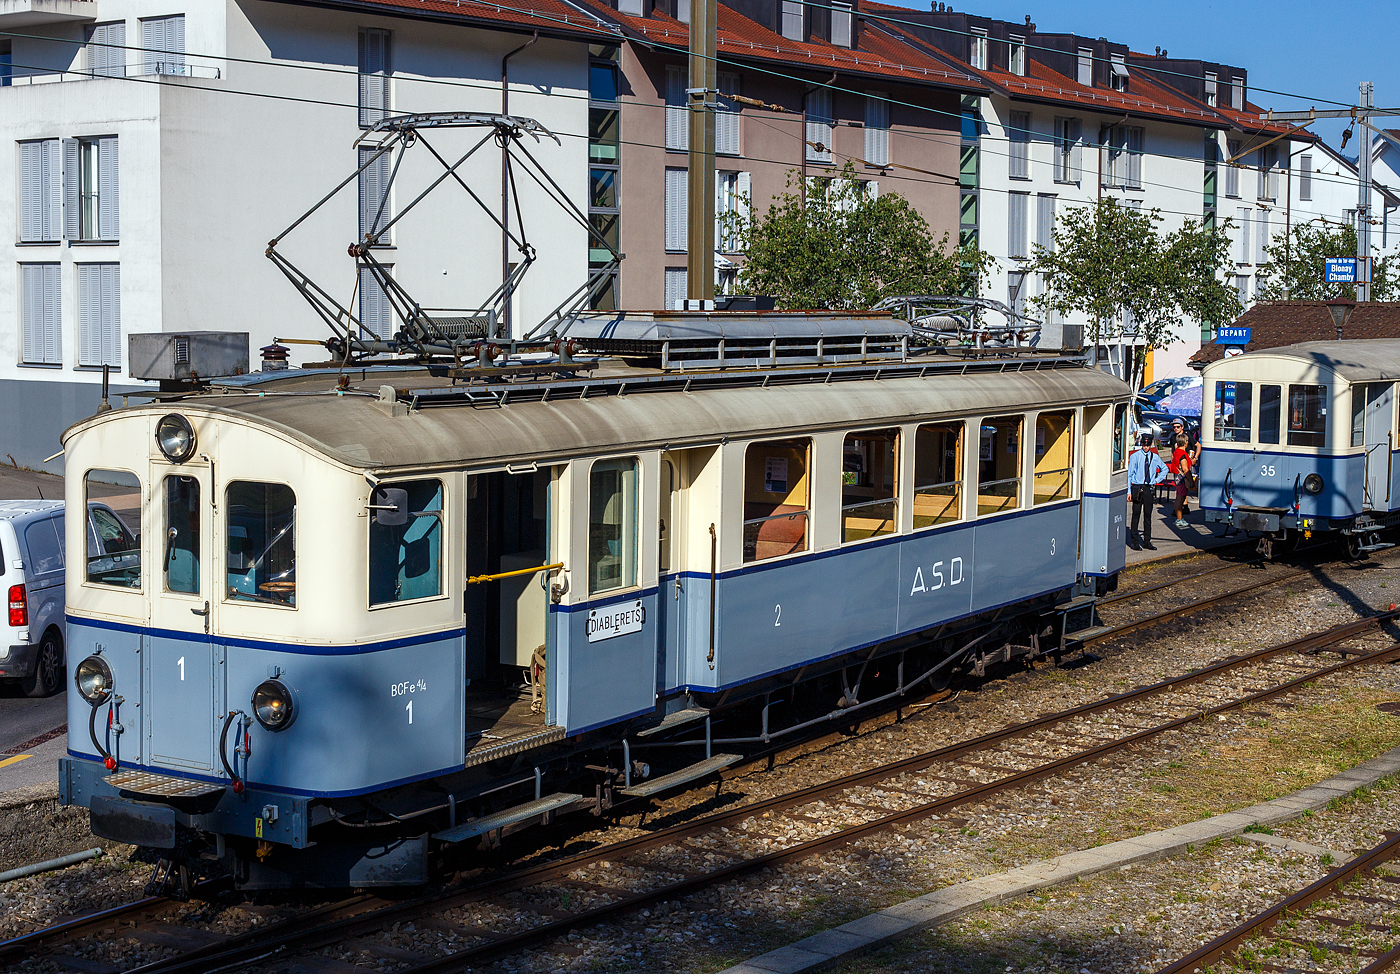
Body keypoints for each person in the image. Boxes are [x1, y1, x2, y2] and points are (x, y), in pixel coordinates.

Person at [1127, 433, 1168, 550]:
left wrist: (1156, 480)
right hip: (1137, 486)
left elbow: (1165, 468)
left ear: (1150, 445)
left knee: (1148, 515)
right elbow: (1129, 475)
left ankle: (1147, 540)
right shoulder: (1135, 456)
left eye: (1147, 445)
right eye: (1144, 444)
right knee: (1136, 514)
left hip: (1148, 487)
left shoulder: (1154, 457)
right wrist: (1129, 491)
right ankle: (1134, 541)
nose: (1145, 447)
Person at [1170, 417, 1200, 512]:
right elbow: (1172, 450)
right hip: (1178, 464)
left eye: (1178, 427)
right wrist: (1173, 459)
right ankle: (1183, 506)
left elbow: (1198, 445)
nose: (1176, 429)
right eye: (1174, 427)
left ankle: (1182, 507)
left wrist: (1195, 457)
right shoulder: (1173, 437)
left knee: (1184, 484)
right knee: (1180, 486)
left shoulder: (1187, 436)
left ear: (1182, 427)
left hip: (1187, 461)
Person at [1171, 433, 1192, 528]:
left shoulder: (1176, 451)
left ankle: (1179, 518)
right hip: (1182, 478)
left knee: (1179, 497)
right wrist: (1190, 479)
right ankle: (1179, 518)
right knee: (1180, 498)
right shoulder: (1182, 454)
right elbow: (1185, 469)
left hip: (1177, 477)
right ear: (1185, 442)